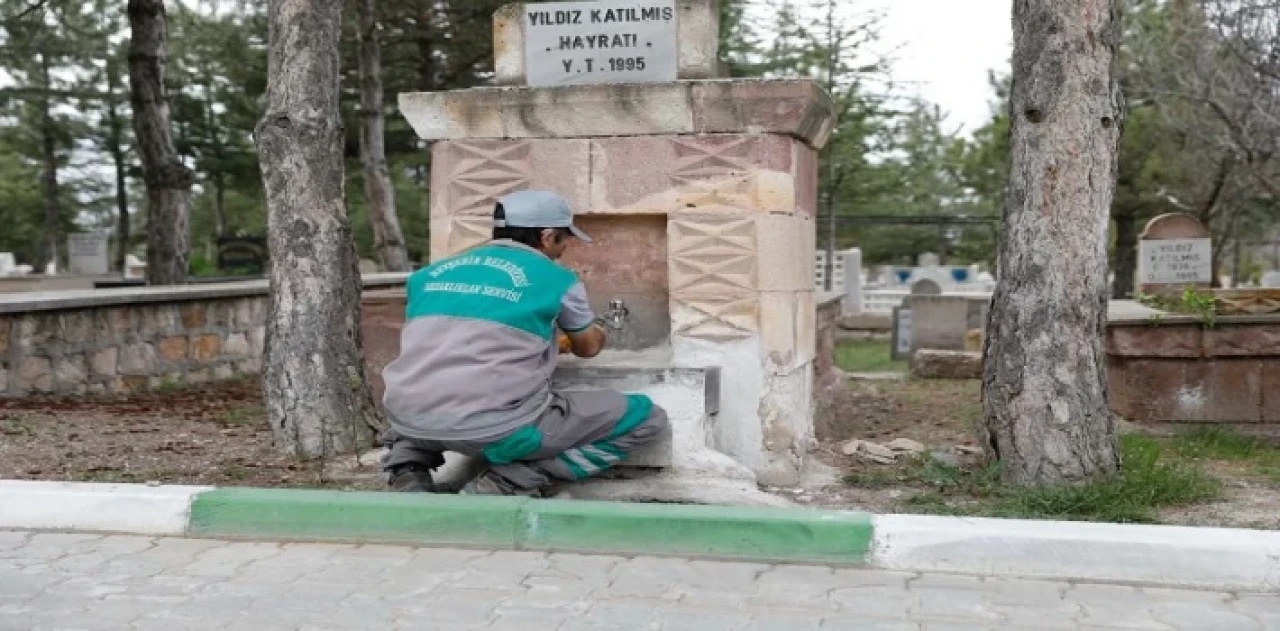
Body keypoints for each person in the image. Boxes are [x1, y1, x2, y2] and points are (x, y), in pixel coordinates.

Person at [379, 189, 670, 496]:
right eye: (564, 238)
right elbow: (588, 348)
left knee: (424, 397)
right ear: (546, 236)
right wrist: (597, 328)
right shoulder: (557, 279)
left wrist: (550, 343)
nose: (566, 247)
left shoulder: (427, 275)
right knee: (647, 418)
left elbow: (464, 342)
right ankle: (509, 481)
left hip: (407, 418)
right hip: (495, 430)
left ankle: (406, 471)